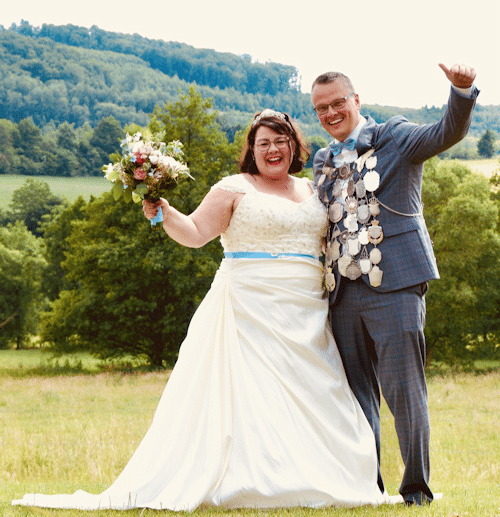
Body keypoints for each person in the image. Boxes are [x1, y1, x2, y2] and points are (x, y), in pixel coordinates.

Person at [13, 109, 389, 511]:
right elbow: (195, 233)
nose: (273, 149)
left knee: (316, 390)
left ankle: (318, 476)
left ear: (294, 146)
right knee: (251, 398)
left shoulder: (312, 188)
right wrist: (163, 209)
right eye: (263, 143)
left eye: (281, 141)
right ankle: (253, 479)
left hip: (307, 308)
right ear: (251, 150)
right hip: (248, 307)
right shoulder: (233, 188)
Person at [311, 63, 478, 506]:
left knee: (404, 391)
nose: (330, 113)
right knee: (355, 396)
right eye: (321, 108)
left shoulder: (395, 136)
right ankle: (368, 487)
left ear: (356, 100)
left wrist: (461, 92)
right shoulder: (322, 160)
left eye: (338, 103)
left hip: (397, 283)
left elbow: (446, 132)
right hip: (341, 292)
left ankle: (416, 490)